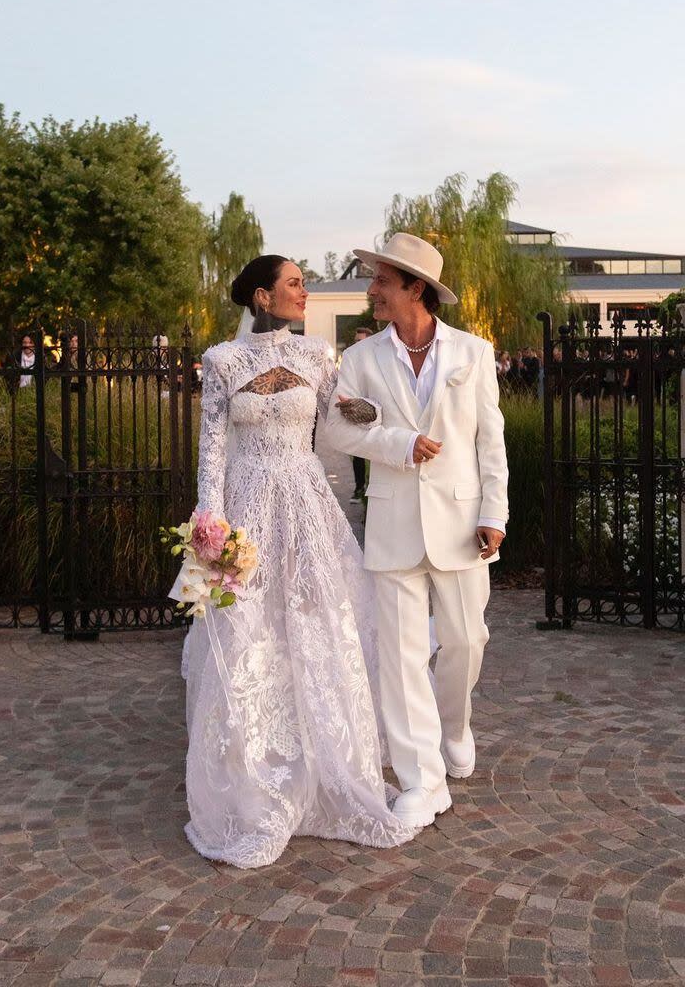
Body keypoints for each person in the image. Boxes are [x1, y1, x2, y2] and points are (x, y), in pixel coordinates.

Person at [170, 254, 417, 869]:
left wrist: (376, 413)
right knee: (245, 629)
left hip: (306, 503)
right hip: (247, 504)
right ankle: (252, 781)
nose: (305, 293)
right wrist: (210, 524)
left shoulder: (314, 356)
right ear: (262, 296)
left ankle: (325, 763)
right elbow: (212, 450)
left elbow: (341, 417)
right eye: (295, 284)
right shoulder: (222, 361)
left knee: (317, 622)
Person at [325, 232, 508, 828]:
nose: (371, 290)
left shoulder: (473, 354)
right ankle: (419, 779)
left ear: (414, 288)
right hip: (394, 523)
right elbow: (339, 432)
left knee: (465, 641)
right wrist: (398, 443)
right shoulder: (359, 359)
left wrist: (493, 514)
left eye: (381, 279)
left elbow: (490, 442)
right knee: (400, 660)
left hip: (461, 522)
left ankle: (454, 726)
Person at [348, 327, 373, 502]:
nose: (357, 344)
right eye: (355, 341)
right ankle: (359, 489)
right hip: (357, 417)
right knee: (357, 456)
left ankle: (370, 491)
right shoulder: (351, 363)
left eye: (360, 341)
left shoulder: (378, 362)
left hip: (377, 418)